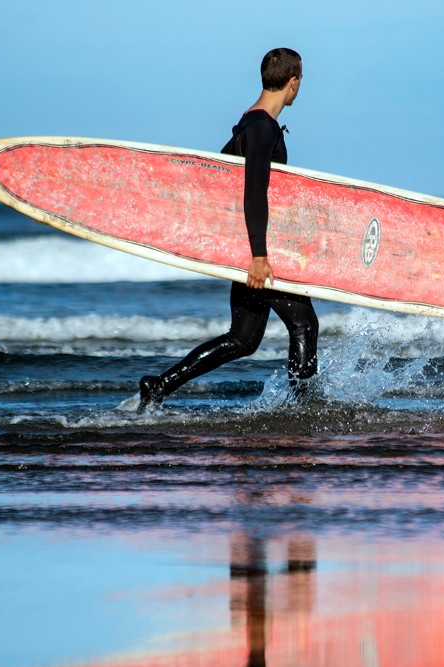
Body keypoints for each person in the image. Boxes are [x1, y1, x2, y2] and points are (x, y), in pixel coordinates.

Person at [138, 48, 317, 412]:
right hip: (254, 252)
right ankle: (303, 410)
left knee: (243, 338)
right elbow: (253, 193)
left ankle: (159, 385)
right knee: (304, 323)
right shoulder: (262, 127)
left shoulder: (248, 124)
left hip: (245, 245)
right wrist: (259, 256)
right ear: (293, 82)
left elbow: (221, 186)